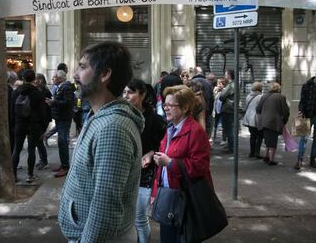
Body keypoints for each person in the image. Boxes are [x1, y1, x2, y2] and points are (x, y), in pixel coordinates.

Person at [58, 41, 144, 243]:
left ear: (104, 74)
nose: (75, 75)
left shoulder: (112, 128)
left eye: (82, 66)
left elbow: (105, 206)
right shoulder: (100, 117)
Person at [152, 85, 212, 243]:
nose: (166, 109)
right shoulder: (170, 129)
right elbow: (165, 159)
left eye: (170, 105)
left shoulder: (196, 132)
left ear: (185, 107)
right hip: (169, 196)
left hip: (185, 200)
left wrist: (170, 163)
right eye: (165, 104)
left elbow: (200, 167)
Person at [123, 79, 166, 243]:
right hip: (124, 174)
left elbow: (164, 146)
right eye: (125, 92)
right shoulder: (122, 116)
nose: (126, 96)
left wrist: (151, 153)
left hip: (144, 175)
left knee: (140, 218)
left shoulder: (155, 120)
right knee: (128, 219)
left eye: (131, 92)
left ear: (142, 95)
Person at [11, 69, 47, 182]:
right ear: (34, 79)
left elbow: (12, 110)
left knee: (17, 149)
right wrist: (43, 129)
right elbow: (42, 113)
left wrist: (14, 123)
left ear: (22, 78)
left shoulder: (16, 92)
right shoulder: (37, 93)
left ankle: (14, 175)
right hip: (34, 125)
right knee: (31, 150)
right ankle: (30, 175)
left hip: (19, 123)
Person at [295, 67, 316, 170]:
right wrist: (300, 112)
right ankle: (299, 159)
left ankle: (313, 159)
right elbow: (302, 100)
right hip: (306, 115)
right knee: (303, 138)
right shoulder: (306, 85)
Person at [45, 69, 74, 178]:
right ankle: (63, 165)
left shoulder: (66, 87)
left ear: (60, 78)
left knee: (62, 142)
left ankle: (65, 167)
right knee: (61, 142)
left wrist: (53, 102)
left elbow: (68, 103)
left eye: (54, 77)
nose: (53, 79)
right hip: (60, 118)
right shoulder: (61, 87)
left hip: (64, 119)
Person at [256, 82, 290, 166]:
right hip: (274, 122)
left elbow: (258, 109)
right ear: (278, 88)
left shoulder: (264, 96)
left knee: (268, 139)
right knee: (273, 141)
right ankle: (271, 159)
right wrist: (284, 121)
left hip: (264, 122)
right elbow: (285, 111)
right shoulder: (281, 97)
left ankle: (267, 156)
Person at [242, 82, 264, 159]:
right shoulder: (260, 97)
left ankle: (252, 152)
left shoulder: (248, 96)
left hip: (249, 118)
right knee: (260, 135)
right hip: (257, 118)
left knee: (253, 136)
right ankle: (257, 152)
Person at [191, 66, 214, 137]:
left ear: (195, 72)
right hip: (206, 109)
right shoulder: (208, 82)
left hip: (194, 111)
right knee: (205, 128)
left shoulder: (192, 82)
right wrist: (210, 110)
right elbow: (212, 98)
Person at [35, 73, 51, 170]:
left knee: (39, 140)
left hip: (43, 120)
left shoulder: (44, 91)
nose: (35, 81)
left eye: (36, 79)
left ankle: (44, 161)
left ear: (41, 80)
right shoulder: (41, 90)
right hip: (41, 119)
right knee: (38, 141)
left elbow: (45, 108)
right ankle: (42, 160)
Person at [219, 69, 235, 153]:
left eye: (225, 75)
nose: (225, 76)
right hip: (231, 109)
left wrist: (222, 91)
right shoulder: (234, 84)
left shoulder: (230, 85)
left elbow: (221, 96)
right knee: (230, 128)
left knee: (229, 129)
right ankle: (230, 146)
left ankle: (231, 148)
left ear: (229, 75)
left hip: (227, 109)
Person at [7, 70, 18, 153]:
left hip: (7, 119)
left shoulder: (5, 90)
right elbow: (12, 107)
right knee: (12, 141)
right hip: (10, 120)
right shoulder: (11, 91)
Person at [213, 78, 226, 144]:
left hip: (223, 110)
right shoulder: (215, 90)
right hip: (216, 110)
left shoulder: (225, 90)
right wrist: (215, 92)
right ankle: (213, 138)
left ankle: (224, 139)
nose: (218, 85)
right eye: (218, 83)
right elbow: (213, 98)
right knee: (214, 125)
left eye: (220, 83)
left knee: (224, 125)